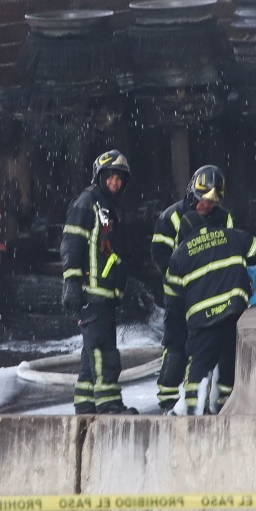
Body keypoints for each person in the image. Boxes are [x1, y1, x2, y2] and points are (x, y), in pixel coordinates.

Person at [164, 201, 256, 415]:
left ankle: (192, 410)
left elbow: (173, 298)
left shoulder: (179, 254)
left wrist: (177, 336)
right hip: (234, 313)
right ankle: (223, 406)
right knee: (229, 361)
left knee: (198, 365)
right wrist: (250, 268)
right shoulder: (230, 235)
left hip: (204, 320)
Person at [60, 150, 137, 415]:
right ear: (100, 176)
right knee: (103, 350)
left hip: (105, 293)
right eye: (111, 177)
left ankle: (85, 403)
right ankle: (108, 404)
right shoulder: (87, 203)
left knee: (92, 351)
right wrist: (72, 283)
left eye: (119, 179)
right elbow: (72, 243)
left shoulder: (109, 208)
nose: (115, 183)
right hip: (91, 292)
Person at [152, 165, 234, 413]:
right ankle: (168, 400)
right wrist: (185, 278)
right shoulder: (171, 217)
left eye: (212, 201)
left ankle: (212, 402)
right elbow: (159, 255)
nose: (206, 206)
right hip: (180, 296)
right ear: (192, 193)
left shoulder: (224, 218)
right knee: (176, 346)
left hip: (212, 297)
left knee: (213, 348)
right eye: (202, 199)